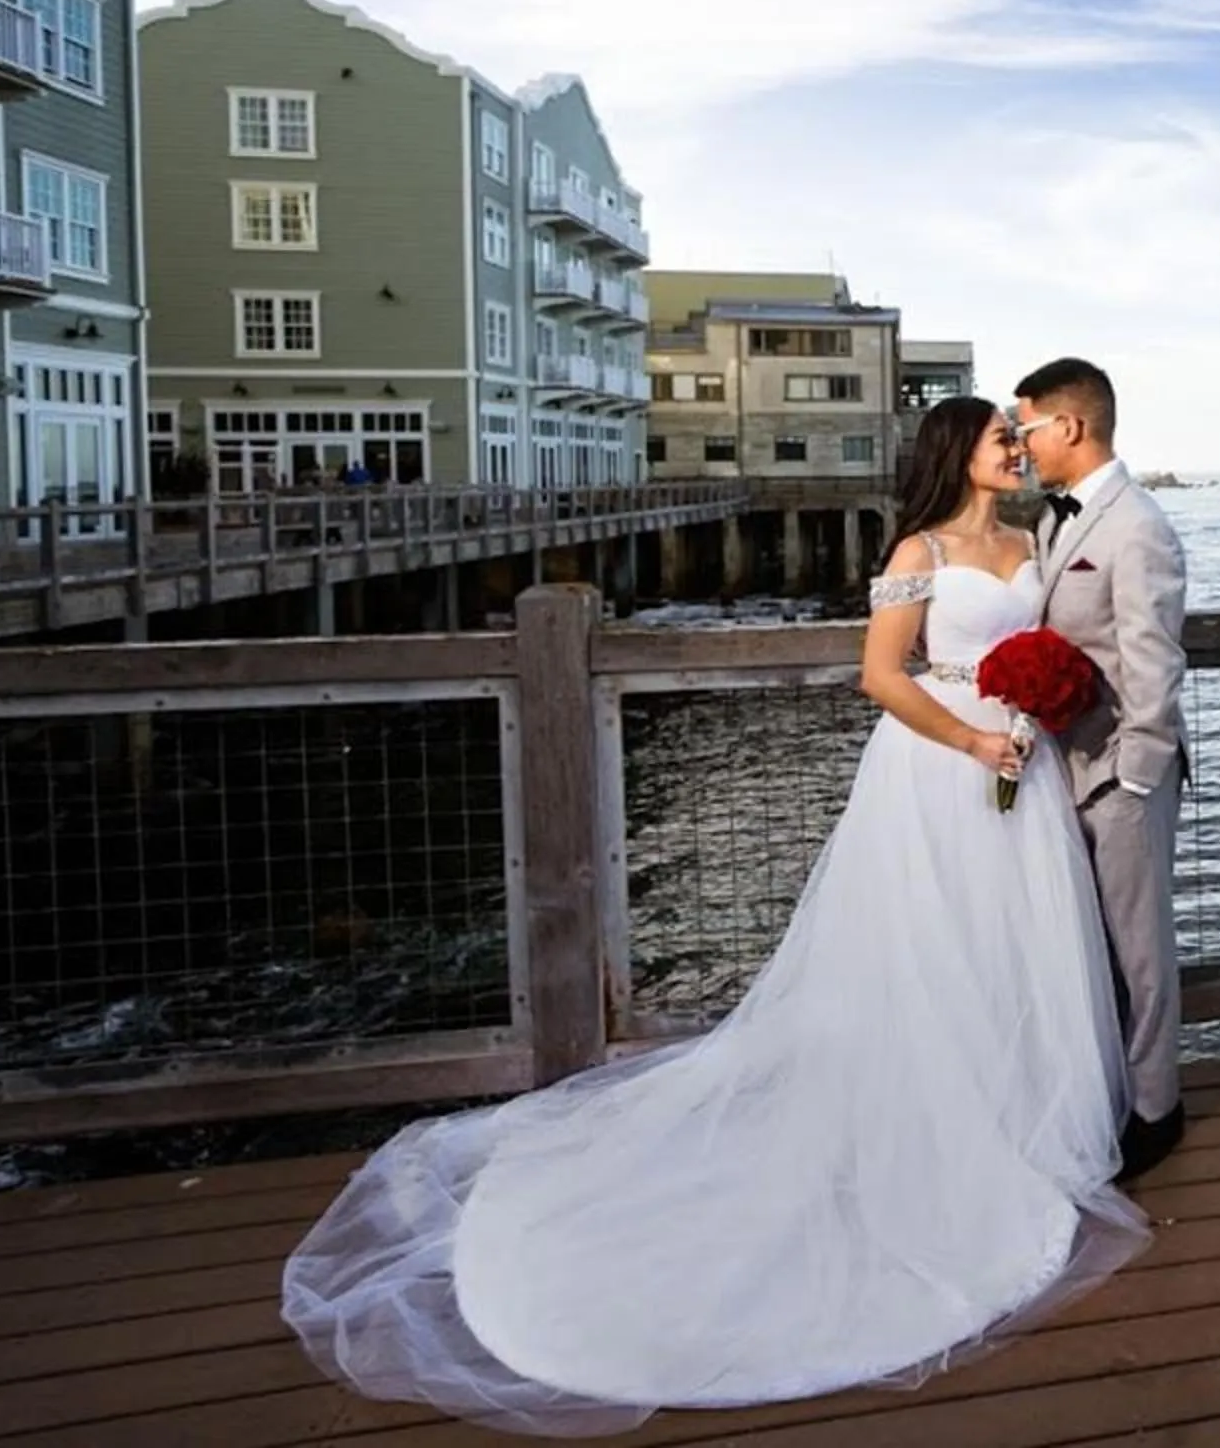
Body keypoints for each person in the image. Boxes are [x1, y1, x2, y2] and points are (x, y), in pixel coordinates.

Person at [277, 396, 1144, 1437]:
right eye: (1000, 437)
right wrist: (970, 741)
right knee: (926, 947)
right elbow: (881, 671)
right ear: (957, 452)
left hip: (1026, 767)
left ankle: (1016, 1121)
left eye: (1021, 437)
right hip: (942, 768)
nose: (1017, 448)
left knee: (1012, 950)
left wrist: (1040, 713)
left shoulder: (1033, 536)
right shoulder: (917, 546)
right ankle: (922, 1120)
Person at [1012, 357, 1192, 1179]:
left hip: (1122, 775)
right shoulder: (1053, 522)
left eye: (1029, 428)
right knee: (1090, 947)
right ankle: (1109, 1092)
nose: (1023, 445)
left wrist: (1135, 777)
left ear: (1072, 427)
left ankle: (1157, 1110)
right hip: (1063, 769)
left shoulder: (1140, 526)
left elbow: (1154, 666)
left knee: (1140, 951)